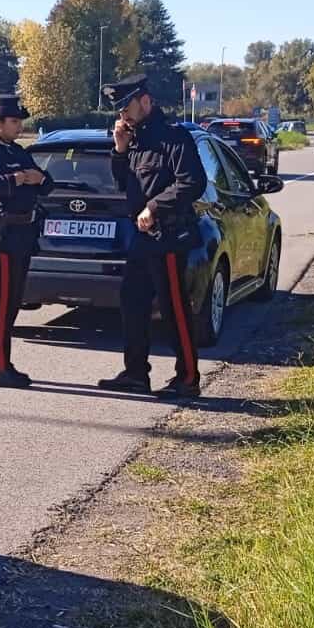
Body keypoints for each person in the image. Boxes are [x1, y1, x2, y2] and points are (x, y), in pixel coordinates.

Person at [95, 72, 207, 400]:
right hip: (143, 240)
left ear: (145, 101)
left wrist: (155, 207)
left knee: (174, 309)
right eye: (118, 111)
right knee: (132, 302)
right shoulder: (135, 140)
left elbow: (192, 182)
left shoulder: (174, 139)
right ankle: (135, 374)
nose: (122, 115)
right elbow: (122, 183)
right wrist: (119, 149)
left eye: (126, 107)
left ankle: (187, 378)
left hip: (169, 236)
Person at [0, 94, 53, 388]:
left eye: (19, 121)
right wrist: (15, 179)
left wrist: (37, 179)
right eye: (13, 121)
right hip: (1, 235)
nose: (18, 126)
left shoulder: (18, 150)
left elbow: (47, 182)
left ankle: (4, 364)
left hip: (22, 235)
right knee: (1, 304)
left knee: (13, 301)